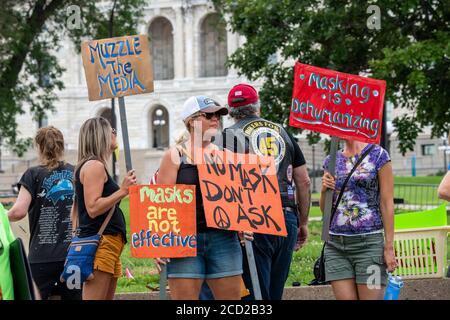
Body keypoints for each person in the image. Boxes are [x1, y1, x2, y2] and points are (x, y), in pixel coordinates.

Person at [155, 95, 252, 300]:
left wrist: (244, 223)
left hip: (223, 239)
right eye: (209, 115)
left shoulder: (225, 155)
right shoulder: (174, 156)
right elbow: (161, 203)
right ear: (192, 120)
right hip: (184, 241)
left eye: (218, 115)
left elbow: (237, 199)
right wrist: (159, 244)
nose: (216, 119)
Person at [220, 83, 311, 300]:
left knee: (255, 295)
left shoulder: (228, 135)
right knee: (273, 293)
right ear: (257, 107)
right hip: (286, 215)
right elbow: (304, 181)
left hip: (251, 219)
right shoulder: (282, 132)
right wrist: (303, 221)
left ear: (231, 111)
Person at [7, 126, 81, 300]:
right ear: (62, 146)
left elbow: (18, 211)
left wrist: (3, 215)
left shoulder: (32, 174)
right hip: (73, 256)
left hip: (41, 259)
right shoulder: (75, 172)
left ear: (39, 147)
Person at [320, 140, 397, 300]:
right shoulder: (331, 160)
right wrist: (323, 191)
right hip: (336, 247)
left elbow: (387, 202)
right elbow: (326, 211)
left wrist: (389, 247)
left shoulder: (379, 155)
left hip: (369, 246)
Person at [74, 117, 136, 300]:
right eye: (111, 130)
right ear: (100, 135)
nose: (115, 133)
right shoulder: (94, 166)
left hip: (108, 243)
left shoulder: (93, 165)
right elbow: (93, 207)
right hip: (102, 243)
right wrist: (123, 191)